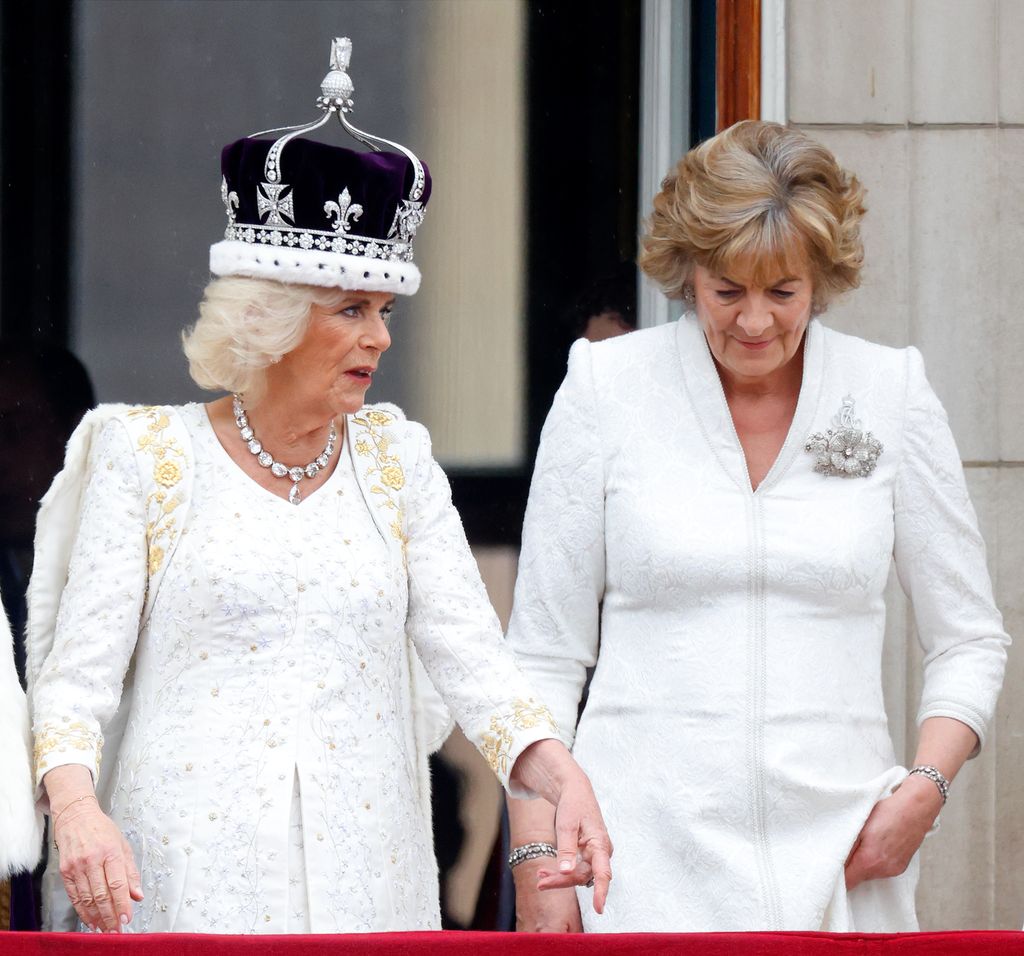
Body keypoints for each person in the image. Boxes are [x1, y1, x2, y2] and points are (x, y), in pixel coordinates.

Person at [27, 38, 611, 936]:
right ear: (269, 318)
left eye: (385, 312)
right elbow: (75, 686)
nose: (381, 338)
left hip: (367, 885)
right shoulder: (146, 457)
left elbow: (476, 665)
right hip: (182, 883)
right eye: (352, 310)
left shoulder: (397, 461)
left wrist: (556, 771)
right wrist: (75, 812)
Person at [505, 120, 1009, 933]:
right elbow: (542, 654)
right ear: (687, 273)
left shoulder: (891, 391)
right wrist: (538, 858)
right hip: (637, 858)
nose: (753, 322)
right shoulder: (604, 388)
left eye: (783, 293)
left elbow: (970, 639)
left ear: (822, 280)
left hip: (844, 853)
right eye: (727, 291)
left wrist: (924, 791)